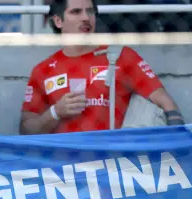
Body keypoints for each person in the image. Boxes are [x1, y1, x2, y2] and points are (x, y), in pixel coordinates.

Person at [19, 0, 182, 134]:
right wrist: (55, 112)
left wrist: (179, 142)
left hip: (113, 165)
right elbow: (26, 130)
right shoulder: (43, 70)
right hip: (64, 167)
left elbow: (165, 102)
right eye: (76, 12)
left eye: (90, 12)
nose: (86, 18)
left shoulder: (119, 57)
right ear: (58, 21)